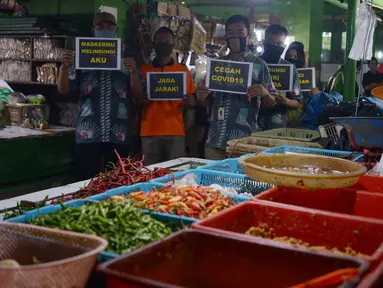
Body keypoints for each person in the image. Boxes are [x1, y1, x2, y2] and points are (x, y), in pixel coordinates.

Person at [57, 12, 144, 180]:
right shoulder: (82, 57)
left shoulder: (126, 59)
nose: (105, 29)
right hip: (87, 133)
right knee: (86, 182)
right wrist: (64, 67)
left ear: (116, 29)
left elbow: (138, 93)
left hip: (118, 133)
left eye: (109, 26)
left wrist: (133, 72)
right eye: (100, 26)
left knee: (118, 182)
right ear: (93, 29)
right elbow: (63, 89)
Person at [196, 15, 278, 160]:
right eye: (230, 33)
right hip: (215, 141)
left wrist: (265, 93)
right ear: (225, 36)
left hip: (245, 144)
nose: (235, 37)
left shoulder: (259, 65)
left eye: (240, 33)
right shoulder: (216, 65)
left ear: (248, 35)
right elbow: (205, 103)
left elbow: (272, 102)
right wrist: (201, 97)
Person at [139, 27, 196, 165]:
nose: (163, 44)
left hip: (175, 130)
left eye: (166, 41)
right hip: (149, 131)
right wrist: (141, 100)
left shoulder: (183, 71)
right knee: (149, 174)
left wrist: (191, 101)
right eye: (159, 41)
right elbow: (135, 100)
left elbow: (192, 99)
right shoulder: (143, 70)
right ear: (153, 44)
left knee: (175, 173)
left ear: (173, 44)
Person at [259, 24, 302, 130]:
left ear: (284, 45)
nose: (275, 46)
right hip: (252, 125)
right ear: (264, 42)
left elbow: (297, 102)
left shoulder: (290, 69)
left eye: (279, 44)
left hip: (277, 128)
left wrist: (286, 101)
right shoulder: (253, 64)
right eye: (271, 43)